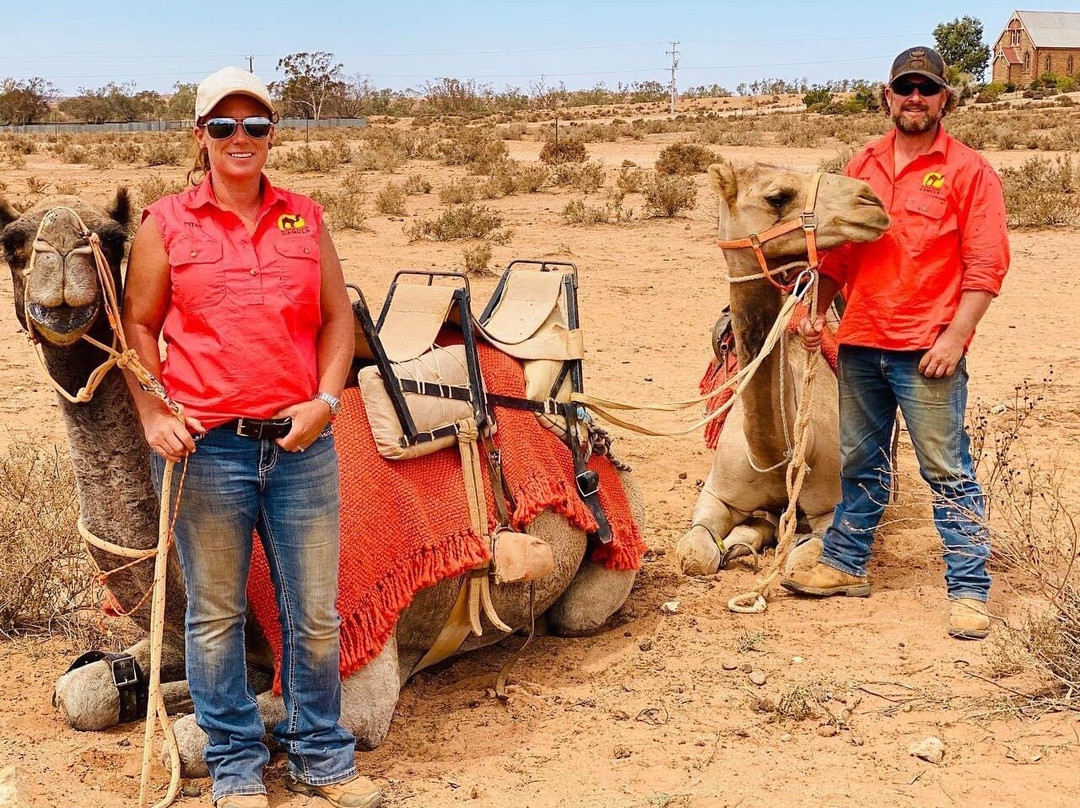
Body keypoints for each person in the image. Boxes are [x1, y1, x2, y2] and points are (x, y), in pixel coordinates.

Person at [121, 67, 381, 808]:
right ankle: (235, 766)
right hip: (209, 449)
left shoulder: (306, 217)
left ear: (271, 136)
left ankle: (321, 758)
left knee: (316, 613)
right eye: (226, 127)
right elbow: (138, 325)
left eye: (257, 127)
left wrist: (328, 400)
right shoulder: (165, 224)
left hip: (301, 444)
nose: (242, 140)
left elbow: (338, 320)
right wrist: (152, 411)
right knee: (215, 617)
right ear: (200, 136)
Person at [781, 47, 1010, 640]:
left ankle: (969, 590)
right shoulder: (862, 164)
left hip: (928, 349)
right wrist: (815, 310)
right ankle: (846, 565)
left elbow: (986, 267)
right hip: (861, 341)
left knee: (946, 470)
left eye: (926, 89)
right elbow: (837, 252)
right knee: (863, 464)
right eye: (904, 88)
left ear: (944, 100)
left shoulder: (970, 171)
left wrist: (955, 339)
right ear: (887, 96)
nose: (915, 98)